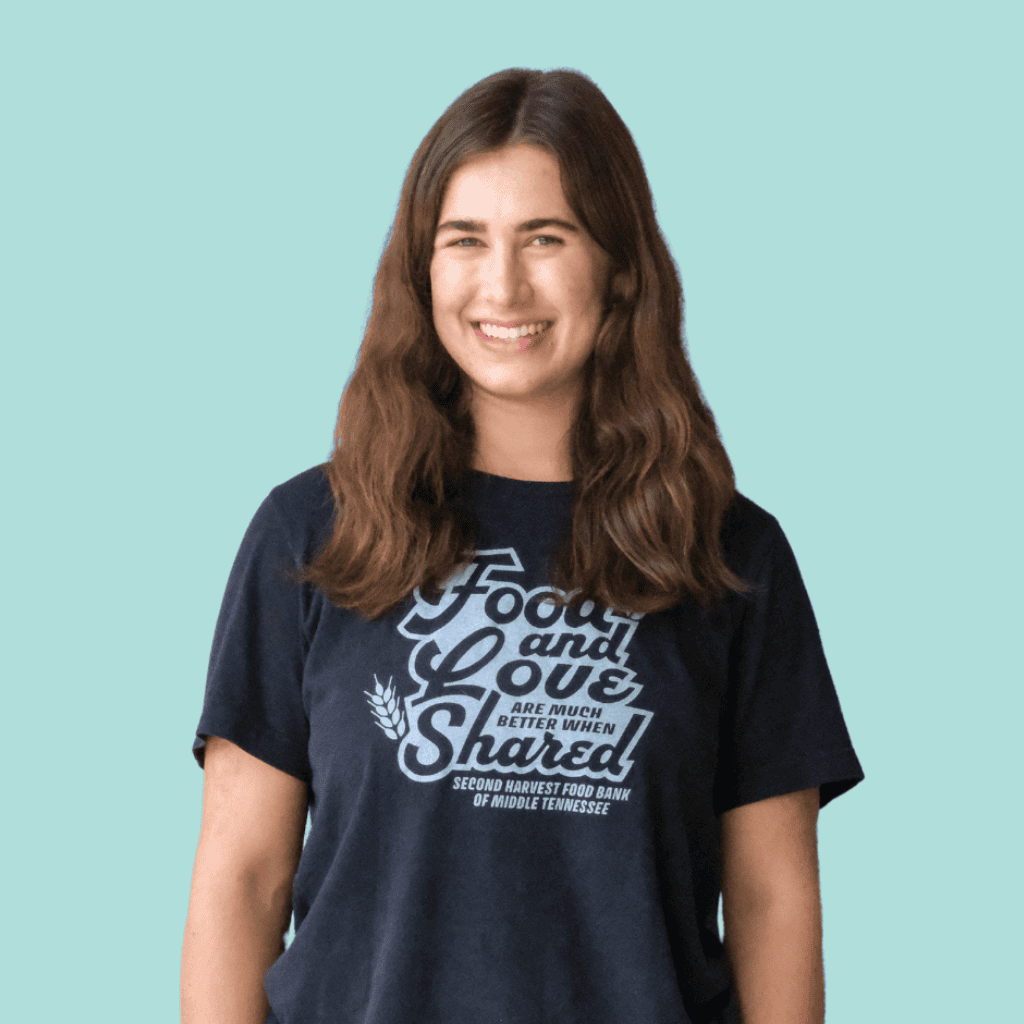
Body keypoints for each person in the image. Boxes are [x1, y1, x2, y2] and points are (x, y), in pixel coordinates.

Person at [181, 67, 864, 1024]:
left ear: (619, 265)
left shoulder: (731, 556)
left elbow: (772, 902)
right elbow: (240, 885)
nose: (503, 286)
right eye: (465, 241)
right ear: (423, 268)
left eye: (547, 239)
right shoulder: (312, 535)